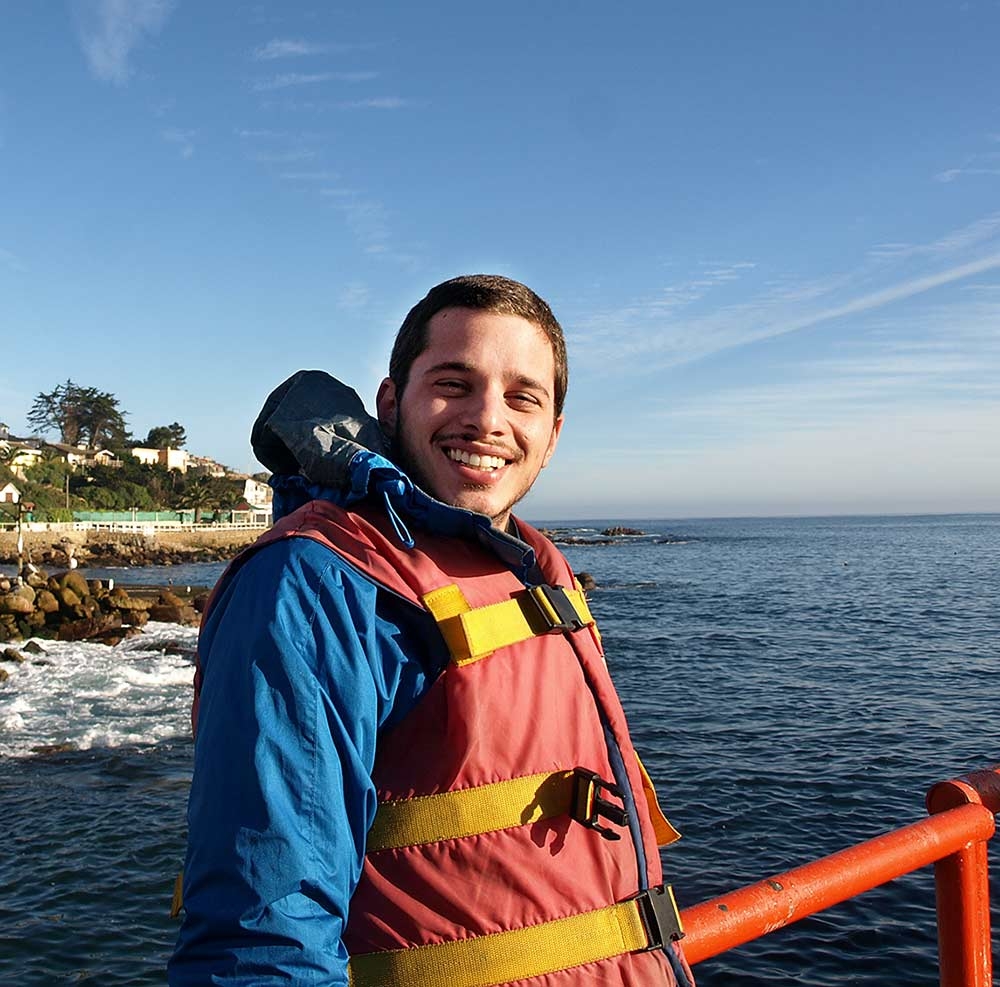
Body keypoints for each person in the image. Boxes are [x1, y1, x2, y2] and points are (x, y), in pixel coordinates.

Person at [169, 274, 695, 986]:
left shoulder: (531, 564)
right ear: (393, 401)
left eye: (522, 396)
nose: (487, 419)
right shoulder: (317, 583)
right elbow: (264, 937)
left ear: (554, 433)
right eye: (454, 382)